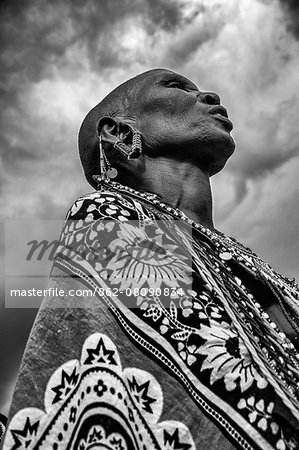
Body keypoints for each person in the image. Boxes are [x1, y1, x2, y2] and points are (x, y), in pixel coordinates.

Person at [2, 68, 299, 450]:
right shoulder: (110, 219)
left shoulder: (257, 268)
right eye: (177, 87)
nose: (209, 96)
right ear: (119, 133)